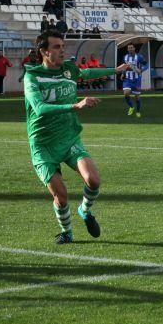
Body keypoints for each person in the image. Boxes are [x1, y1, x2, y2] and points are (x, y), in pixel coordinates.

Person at [24, 30, 131, 244]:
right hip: (43, 144)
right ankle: (67, 232)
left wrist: (115, 70)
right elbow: (39, 108)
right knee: (61, 196)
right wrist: (76, 105)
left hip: (69, 137)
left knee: (93, 180)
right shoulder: (32, 76)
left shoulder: (69, 69)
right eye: (56, 47)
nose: (62, 49)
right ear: (44, 51)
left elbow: (86, 73)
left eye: (63, 46)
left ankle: (85, 210)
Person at [122, 43, 148, 118]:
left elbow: (146, 65)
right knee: (126, 93)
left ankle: (138, 111)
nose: (130, 49)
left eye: (131, 48)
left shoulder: (139, 57)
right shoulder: (125, 57)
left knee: (137, 97)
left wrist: (141, 70)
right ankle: (131, 107)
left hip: (137, 79)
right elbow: (124, 66)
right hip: (128, 79)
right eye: (128, 48)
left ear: (134, 49)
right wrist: (123, 73)